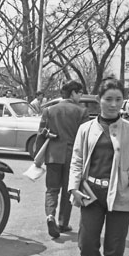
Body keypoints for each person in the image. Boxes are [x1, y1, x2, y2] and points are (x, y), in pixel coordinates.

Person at [68, 77, 129, 256]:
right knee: (86, 243)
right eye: (108, 99)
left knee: (114, 248)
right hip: (91, 194)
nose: (113, 104)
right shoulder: (85, 129)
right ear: (99, 100)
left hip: (121, 196)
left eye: (118, 99)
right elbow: (77, 159)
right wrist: (73, 188)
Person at [34, 80, 89, 238]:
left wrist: (37, 156)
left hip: (53, 155)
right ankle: (63, 223)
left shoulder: (49, 110)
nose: (81, 96)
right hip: (73, 156)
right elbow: (84, 137)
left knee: (51, 190)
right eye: (79, 93)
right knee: (68, 190)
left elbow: (40, 134)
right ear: (72, 93)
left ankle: (50, 216)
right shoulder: (82, 111)